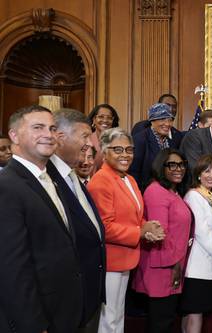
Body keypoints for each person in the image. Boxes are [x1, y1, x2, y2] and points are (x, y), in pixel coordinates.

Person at [0, 105, 83, 333]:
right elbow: (12, 269)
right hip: (37, 319)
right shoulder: (6, 186)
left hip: (63, 312)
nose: (48, 134)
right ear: (14, 135)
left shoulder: (49, 180)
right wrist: (34, 325)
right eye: (38, 127)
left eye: (53, 128)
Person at [87, 127, 165, 333]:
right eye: (118, 150)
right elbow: (104, 227)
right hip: (110, 261)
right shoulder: (101, 180)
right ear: (104, 152)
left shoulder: (129, 179)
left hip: (127, 258)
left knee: (117, 314)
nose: (125, 155)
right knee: (108, 318)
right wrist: (140, 232)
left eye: (129, 150)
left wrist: (150, 228)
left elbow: (136, 216)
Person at [45, 108, 105, 333]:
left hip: (87, 294)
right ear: (60, 138)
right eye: (84, 136)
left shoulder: (73, 177)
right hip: (65, 299)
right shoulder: (47, 177)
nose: (89, 144)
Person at [132, 149, 193, 333]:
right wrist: (174, 266)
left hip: (172, 265)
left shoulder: (172, 191)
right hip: (162, 268)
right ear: (161, 166)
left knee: (165, 320)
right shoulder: (156, 192)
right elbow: (160, 233)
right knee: (161, 323)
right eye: (172, 165)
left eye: (182, 164)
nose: (178, 169)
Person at [180, 155, 212, 333]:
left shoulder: (211, 197)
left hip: (207, 265)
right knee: (194, 314)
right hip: (196, 266)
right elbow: (200, 231)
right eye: (207, 171)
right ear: (198, 174)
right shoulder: (194, 196)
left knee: (194, 312)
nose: (211, 175)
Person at [129, 103, 183, 190]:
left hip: (167, 190)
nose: (167, 124)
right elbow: (134, 172)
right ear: (152, 120)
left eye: (170, 120)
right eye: (162, 119)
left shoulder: (173, 140)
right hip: (145, 191)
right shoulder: (140, 139)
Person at [88, 104, 120, 172]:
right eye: (101, 117)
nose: (105, 120)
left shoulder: (118, 141)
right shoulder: (87, 140)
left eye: (109, 117)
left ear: (113, 121)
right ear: (94, 119)